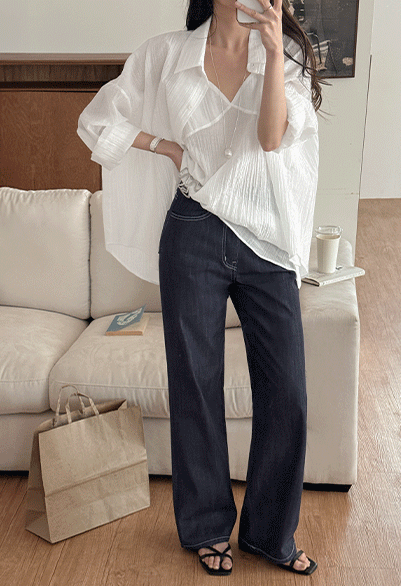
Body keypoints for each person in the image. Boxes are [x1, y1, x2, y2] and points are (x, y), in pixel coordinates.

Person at [78, 0, 321, 577]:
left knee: (286, 390)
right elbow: (96, 119)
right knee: (194, 384)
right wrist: (164, 145)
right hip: (192, 231)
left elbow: (271, 139)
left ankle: (270, 535)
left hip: (266, 239)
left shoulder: (285, 54)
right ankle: (207, 527)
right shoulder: (166, 54)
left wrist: (271, 51)